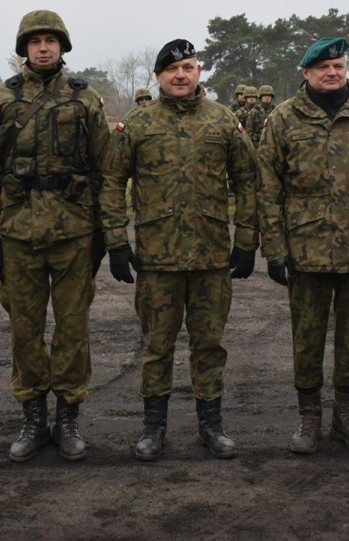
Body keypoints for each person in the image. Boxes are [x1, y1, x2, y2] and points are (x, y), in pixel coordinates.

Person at [101, 38, 258, 461]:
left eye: (188, 67)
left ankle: (212, 425)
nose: (180, 75)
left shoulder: (223, 120)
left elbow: (248, 180)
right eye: (172, 69)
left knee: (210, 345)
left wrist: (247, 239)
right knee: (157, 347)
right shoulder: (138, 123)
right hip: (157, 259)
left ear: (199, 71)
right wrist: (116, 241)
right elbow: (112, 182)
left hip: (212, 257)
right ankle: (154, 428)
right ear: (158, 76)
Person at [0, 10, 110, 463]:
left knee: (72, 329)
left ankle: (67, 418)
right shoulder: (2, 98)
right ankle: (33, 417)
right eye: (35, 41)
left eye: (51, 40)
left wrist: (104, 232)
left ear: (62, 46)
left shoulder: (84, 97)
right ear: (24, 49)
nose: (44, 47)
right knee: (25, 330)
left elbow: (105, 169)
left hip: (74, 231)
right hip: (18, 232)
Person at [257, 37, 349, 455]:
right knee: (307, 336)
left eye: (339, 66)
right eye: (323, 67)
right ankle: (309, 417)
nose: (332, 73)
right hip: (305, 247)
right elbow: (267, 187)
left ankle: (346, 416)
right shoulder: (284, 118)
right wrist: (274, 247)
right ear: (306, 73)